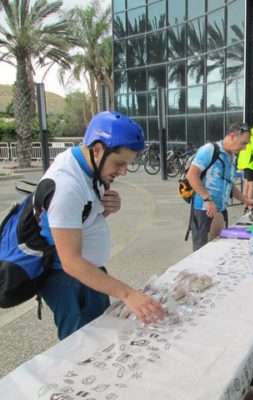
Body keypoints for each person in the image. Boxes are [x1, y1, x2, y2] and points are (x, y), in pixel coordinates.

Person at [37, 111, 165, 340]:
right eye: (119, 163)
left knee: (103, 336)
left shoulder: (89, 166)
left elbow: (81, 219)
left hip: (90, 272)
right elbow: (71, 262)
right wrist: (127, 293)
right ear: (97, 149)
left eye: (128, 165)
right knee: (81, 345)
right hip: (67, 278)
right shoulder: (65, 185)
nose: (123, 172)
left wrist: (107, 209)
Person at [186, 122, 253, 251]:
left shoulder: (232, 157)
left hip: (221, 210)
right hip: (204, 210)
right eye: (243, 143)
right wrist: (207, 199)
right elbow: (191, 175)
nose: (245, 148)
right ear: (232, 136)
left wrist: (246, 200)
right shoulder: (210, 150)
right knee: (202, 254)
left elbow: (229, 184)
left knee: (218, 251)